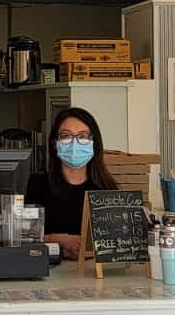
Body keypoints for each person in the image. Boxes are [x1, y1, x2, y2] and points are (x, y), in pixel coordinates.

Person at [24, 106, 118, 260]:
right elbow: (25, 236)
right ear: (55, 143)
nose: (74, 143)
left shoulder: (107, 189)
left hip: (94, 272)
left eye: (82, 136)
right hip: (50, 271)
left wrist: (86, 250)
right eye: (66, 136)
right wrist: (61, 240)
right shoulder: (38, 185)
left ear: (94, 143)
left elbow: (116, 241)